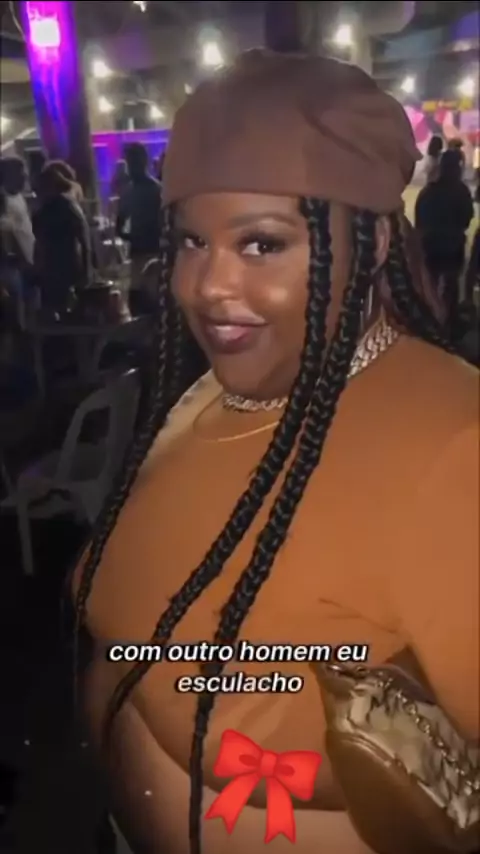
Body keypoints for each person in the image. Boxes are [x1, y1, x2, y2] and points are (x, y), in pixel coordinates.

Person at [73, 52, 479, 854]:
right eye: (193, 241)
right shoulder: (214, 390)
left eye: (261, 244)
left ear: (367, 245)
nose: (207, 287)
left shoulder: (454, 446)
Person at [415, 149, 474, 326]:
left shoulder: (428, 192)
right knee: (451, 283)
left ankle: (429, 318)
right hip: (452, 246)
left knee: (430, 283)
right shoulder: (461, 192)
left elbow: (419, 222)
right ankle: (450, 319)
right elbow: (466, 219)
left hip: (430, 245)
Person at [32, 164, 92, 314]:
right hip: (53, 269)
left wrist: (87, 270)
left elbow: (84, 239)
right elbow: (38, 242)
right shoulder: (42, 210)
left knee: (69, 310)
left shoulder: (67, 206)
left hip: (67, 267)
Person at [115, 143, 162, 312]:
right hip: (140, 251)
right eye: (130, 162)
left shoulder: (155, 190)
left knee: (150, 299)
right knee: (138, 299)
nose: (131, 167)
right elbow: (120, 221)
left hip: (154, 252)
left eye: (133, 162)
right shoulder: (132, 190)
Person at [0, 157, 35, 266]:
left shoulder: (16, 196)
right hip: (16, 264)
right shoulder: (3, 200)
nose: (25, 177)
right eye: (22, 173)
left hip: (31, 256)